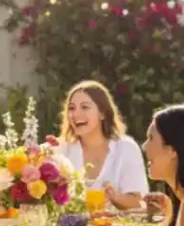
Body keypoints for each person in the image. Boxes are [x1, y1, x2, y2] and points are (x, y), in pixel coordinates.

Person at [58, 80, 149, 210]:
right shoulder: (61, 150)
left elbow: (139, 202)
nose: (76, 114)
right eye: (71, 108)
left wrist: (116, 198)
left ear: (102, 113)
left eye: (85, 107)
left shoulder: (126, 148)